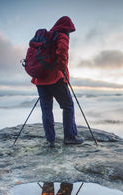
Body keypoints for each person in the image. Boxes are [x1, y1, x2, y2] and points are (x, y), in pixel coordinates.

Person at [31, 16, 84, 147]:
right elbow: (62, 54)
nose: (70, 34)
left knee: (46, 110)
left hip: (40, 79)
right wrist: (62, 71)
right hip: (56, 78)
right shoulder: (61, 36)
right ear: (67, 27)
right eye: (70, 31)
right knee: (68, 106)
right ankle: (70, 137)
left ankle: (50, 140)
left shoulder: (43, 39)